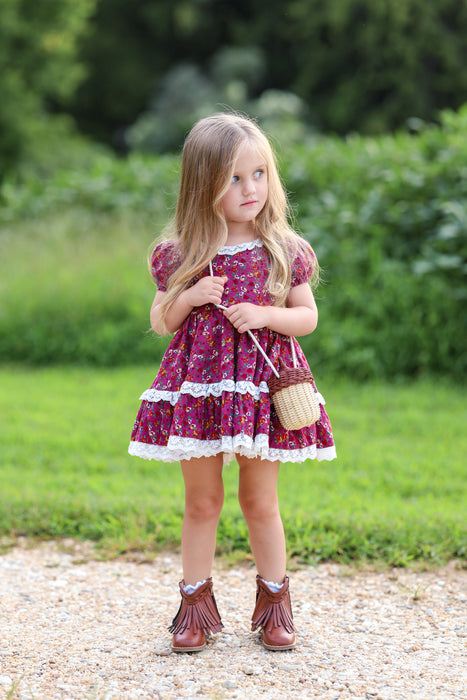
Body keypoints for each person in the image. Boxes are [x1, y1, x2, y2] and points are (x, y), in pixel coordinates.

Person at [129, 112, 336, 653]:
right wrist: (189, 297)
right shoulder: (181, 254)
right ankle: (195, 606)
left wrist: (266, 316)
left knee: (260, 500)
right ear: (204, 185)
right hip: (201, 391)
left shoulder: (283, 249)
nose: (251, 190)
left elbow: (306, 318)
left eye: (259, 174)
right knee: (202, 501)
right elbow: (160, 320)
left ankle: (274, 605)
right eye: (234, 179)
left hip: (261, 393)